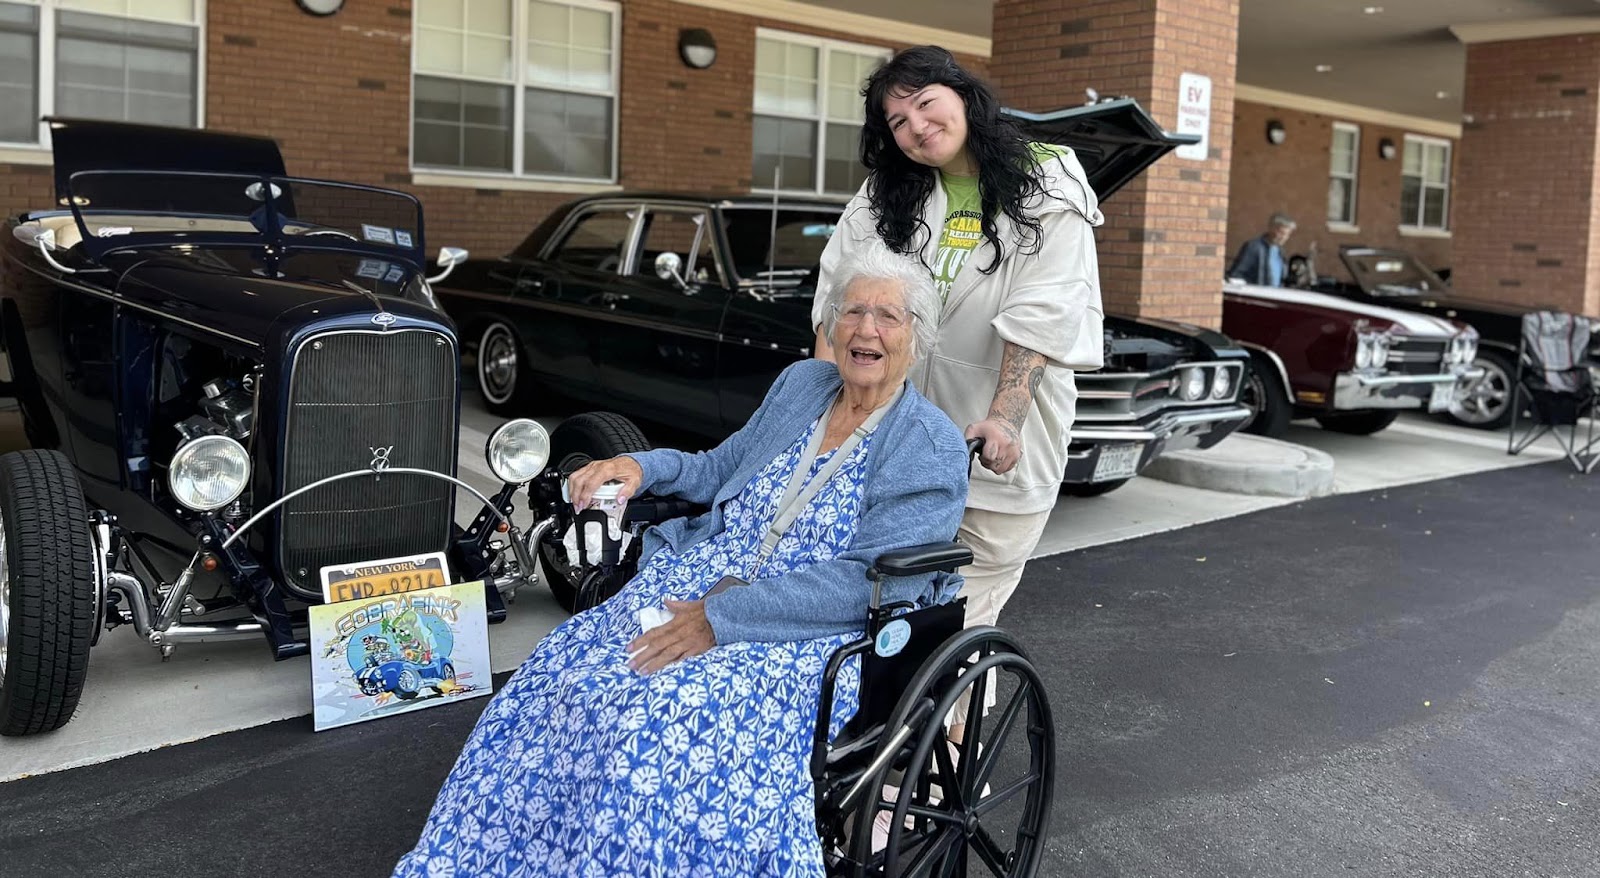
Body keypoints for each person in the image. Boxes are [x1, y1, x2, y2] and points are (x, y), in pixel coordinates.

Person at [391, 248, 971, 877]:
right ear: (830, 323)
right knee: (562, 677)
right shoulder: (804, 386)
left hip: (810, 632)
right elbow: (719, 467)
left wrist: (721, 617)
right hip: (701, 578)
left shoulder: (928, 442)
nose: (866, 330)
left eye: (888, 316)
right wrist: (640, 466)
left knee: (647, 725)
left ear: (918, 335)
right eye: (852, 311)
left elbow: (865, 583)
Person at [811, 45, 1105, 739]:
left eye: (924, 102)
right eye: (896, 119)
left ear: (962, 93)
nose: (914, 125)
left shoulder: (1046, 179)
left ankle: (928, 791)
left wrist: (1003, 419)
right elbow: (837, 305)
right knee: (877, 622)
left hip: (991, 458)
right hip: (893, 450)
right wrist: (824, 423)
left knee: (950, 633)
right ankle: (878, 770)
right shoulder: (887, 193)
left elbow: (1043, 314)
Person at [1226, 212, 1296, 287]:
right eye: (1281, 233)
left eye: (1287, 234)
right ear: (1271, 228)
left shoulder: (1281, 252)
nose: (1284, 237)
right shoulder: (1253, 247)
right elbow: (1236, 274)